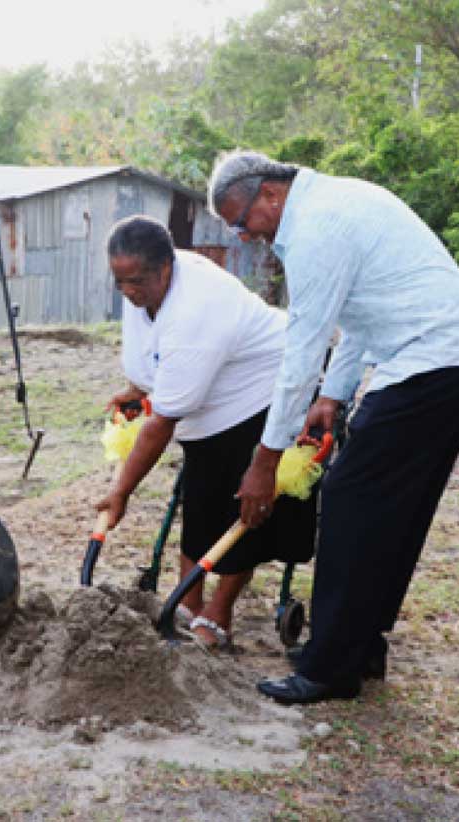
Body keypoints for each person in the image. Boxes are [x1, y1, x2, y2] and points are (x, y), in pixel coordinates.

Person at [207, 150, 459, 703]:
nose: (243, 233)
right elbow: (357, 318)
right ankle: (359, 644)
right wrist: (333, 394)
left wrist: (265, 460)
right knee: (393, 505)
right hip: (456, 352)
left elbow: (303, 349)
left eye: (240, 220)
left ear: (270, 195)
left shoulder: (317, 228)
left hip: (438, 354)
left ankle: (329, 668)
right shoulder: (335, 202)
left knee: (352, 497)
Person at [94, 215, 318, 650]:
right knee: (200, 501)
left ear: (165, 268)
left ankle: (218, 615)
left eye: (136, 281)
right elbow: (149, 351)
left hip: (267, 391)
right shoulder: (142, 283)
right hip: (212, 400)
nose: (128, 292)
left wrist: (121, 492)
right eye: (119, 282)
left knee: (245, 506)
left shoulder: (197, 308)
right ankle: (186, 604)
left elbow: (161, 425)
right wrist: (137, 388)